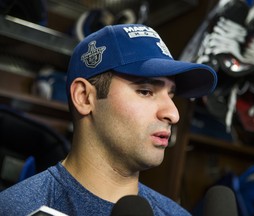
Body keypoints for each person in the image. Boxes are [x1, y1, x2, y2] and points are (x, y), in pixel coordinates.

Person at [0, 24, 217, 215]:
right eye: (145, 91)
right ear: (84, 97)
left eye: (171, 95)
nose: (173, 114)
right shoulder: (16, 209)